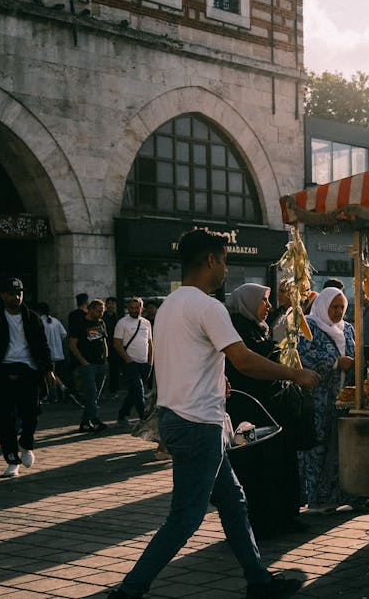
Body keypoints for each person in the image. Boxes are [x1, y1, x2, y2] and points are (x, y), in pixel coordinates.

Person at [112, 231, 317, 599]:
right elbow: (244, 360)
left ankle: (259, 581)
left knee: (235, 503)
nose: (225, 268)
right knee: (184, 518)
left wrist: (214, 380)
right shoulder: (208, 307)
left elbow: (181, 361)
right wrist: (294, 373)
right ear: (209, 260)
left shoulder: (170, 305)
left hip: (181, 418)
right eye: (223, 260)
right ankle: (128, 590)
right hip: (198, 424)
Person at [224, 283, 305, 537]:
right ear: (248, 302)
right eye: (264, 301)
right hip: (246, 412)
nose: (269, 306)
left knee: (275, 463)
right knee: (252, 466)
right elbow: (249, 363)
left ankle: (282, 517)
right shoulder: (238, 330)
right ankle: (260, 523)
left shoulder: (259, 328)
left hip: (267, 408)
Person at [0, 277, 57, 477]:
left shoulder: (32, 318)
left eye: (19, 294)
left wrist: (49, 370)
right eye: (11, 294)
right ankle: (11, 459)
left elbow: (43, 346)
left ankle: (26, 444)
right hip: (0, 371)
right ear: (3, 295)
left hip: (28, 370)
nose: (16, 297)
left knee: (31, 414)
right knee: (4, 419)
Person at [296, 287, 356, 513]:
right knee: (317, 445)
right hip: (318, 397)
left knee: (340, 446)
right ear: (323, 306)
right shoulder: (309, 326)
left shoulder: (347, 328)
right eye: (334, 307)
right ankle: (316, 498)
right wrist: (334, 362)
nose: (338, 311)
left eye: (342, 307)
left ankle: (338, 495)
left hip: (343, 398)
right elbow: (302, 355)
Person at [70, 299, 109, 433]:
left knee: (94, 395)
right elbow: (72, 345)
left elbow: (103, 340)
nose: (100, 314)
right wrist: (83, 361)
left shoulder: (101, 322)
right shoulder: (79, 323)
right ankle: (95, 420)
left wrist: (106, 357)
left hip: (101, 364)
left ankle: (85, 423)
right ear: (90, 309)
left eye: (102, 312)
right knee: (91, 393)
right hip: (87, 364)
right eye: (98, 311)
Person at [114, 297, 153, 426]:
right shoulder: (122, 323)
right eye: (132, 308)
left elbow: (150, 343)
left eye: (137, 308)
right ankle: (144, 418)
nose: (134, 310)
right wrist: (128, 359)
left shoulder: (146, 323)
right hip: (130, 363)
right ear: (128, 308)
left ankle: (122, 415)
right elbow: (117, 344)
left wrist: (150, 362)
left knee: (133, 392)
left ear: (141, 309)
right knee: (139, 390)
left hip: (145, 363)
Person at [34, 302, 70, 403]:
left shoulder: (39, 321)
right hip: (57, 351)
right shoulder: (55, 321)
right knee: (52, 372)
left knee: (49, 373)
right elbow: (64, 333)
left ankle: (56, 392)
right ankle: (58, 390)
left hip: (47, 352)